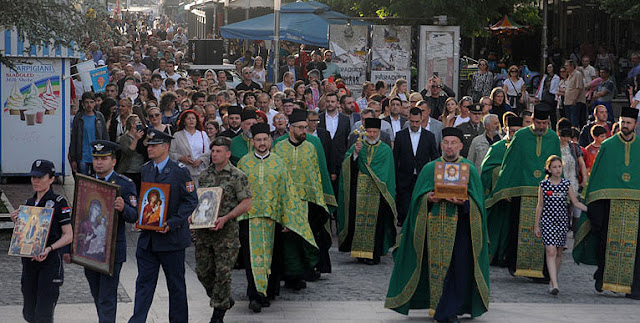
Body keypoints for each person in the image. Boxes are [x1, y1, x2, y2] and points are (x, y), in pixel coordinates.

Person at [385, 127, 489, 322]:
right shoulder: (430, 168)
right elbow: (417, 199)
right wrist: (428, 199)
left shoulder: (470, 170)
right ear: (441, 145)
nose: (449, 147)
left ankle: (450, 309)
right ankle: (439, 307)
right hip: (432, 228)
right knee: (435, 268)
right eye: (446, 143)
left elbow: (478, 204)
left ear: (460, 146)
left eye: (453, 143)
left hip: (461, 229)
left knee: (458, 269)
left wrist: (465, 203)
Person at [237, 123, 317, 312]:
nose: (262, 143)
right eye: (258, 140)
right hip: (250, 217)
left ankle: (269, 292)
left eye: (265, 139)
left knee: (273, 258)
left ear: (270, 140)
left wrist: (288, 218)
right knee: (251, 259)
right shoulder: (244, 163)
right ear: (253, 141)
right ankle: (255, 295)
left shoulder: (279, 162)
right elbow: (237, 192)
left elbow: (288, 192)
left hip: (274, 218)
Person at [129, 129, 198, 323]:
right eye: (148, 145)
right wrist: (140, 217)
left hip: (172, 239)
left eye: (153, 145)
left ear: (165, 147)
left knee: (176, 286)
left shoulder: (179, 171)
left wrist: (173, 222)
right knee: (143, 284)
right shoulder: (146, 169)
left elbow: (191, 201)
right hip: (149, 240)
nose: (149, 148)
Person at [485, 106, 561, 278]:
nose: (541, 126)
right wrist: (507, 189)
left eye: (544, 123)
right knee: (516, 228)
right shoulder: (520, 136)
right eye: (538, 122)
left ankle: (541, 270)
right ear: (532, 120)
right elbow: (510, 163)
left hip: (545, 192)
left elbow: (557, 164)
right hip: (521, 190)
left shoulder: (553, 138)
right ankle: (515, 264)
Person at [574, 107, 640, 299]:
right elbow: (598, 176)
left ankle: (633, 286)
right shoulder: (609, 145)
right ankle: (603, 278)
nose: (625, 126)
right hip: (609, 207)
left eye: (629, 123)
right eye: (623, 122)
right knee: (605, 245)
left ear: (635, 125)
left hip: (635, 206)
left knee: (635, 248)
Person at [193, 136, 252, 322]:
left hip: (226, 232)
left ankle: (218, 313)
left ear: (228, 154)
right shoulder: (205, 175)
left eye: (218, 151)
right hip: (204, 232)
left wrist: (226, 218)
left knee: (223, 273)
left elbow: (247, 203)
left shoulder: (237, 176)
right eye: (213, 151)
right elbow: (200, 201)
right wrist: (193, 215)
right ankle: (224, 299)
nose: (214, 154)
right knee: (203, 272)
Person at [273, 109, 337, 275]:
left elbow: (317, 173)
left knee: (308, 237)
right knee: (288, 240)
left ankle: (308, 269)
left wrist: (319, 198)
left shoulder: (311, 146)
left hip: (307, 201)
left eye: (305, 127)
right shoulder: (279, 147)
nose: (304, 130)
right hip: (285, 201)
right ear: (291, 128)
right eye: (301, 127)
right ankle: (289, 272)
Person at [81, 141, 138, 322]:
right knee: (97, 293)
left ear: (113, 161)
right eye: (96, 158)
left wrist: (123, 208)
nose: (99, 163)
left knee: (107, 296)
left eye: (104, 159)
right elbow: (80, 216)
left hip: (112, 250)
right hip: (89, 250)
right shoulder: (86, 183)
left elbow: (134, 215)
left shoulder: (124, 184)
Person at [10, 160, 73, 323]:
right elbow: (26, 237)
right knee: (29, 312)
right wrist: (18, 223)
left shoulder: (59, 202)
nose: (35, 181)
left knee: (43, 314)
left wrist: (50, 249)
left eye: (40, 177)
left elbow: (68, 235)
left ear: (51, 179)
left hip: (49, 263)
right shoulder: (28, 204)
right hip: (30, 265)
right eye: (33, 177)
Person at [337, 118, 397, 265]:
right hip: (360, 191)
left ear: (379, 132)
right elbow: (347, 165)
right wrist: (355, 154)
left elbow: (388, 174)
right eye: (369, 131)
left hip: (378, 192)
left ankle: (373, 255)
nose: (371, 134)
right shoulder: (358, 145)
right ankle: (359, 253)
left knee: (376, 224)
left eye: (374, 132)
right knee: (359, 220)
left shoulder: (385, 149)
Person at [534, 155, 587, 295]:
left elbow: (575, 202)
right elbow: (540, 206)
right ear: (549, 169)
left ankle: (553, 280)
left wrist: (589, 209)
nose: (558, 169)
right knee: (550, 251)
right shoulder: (543, 185)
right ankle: (555, 283)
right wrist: (536, 225)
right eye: (555, 167)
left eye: (559, 166)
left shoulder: (566, 184)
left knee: (558, 253)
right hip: (547, 221)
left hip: (562, 222)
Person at [393, 107, 439, 226]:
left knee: (421, 206)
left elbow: (434, 158)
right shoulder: (400, 136)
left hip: (422, 178)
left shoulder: (429, 136)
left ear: (422, 119)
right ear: (408, 119)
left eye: (417, 122)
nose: (414, 124)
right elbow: (395, 158)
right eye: (412, 121)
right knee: (404, 209)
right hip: (404, 178)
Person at [69, 92, 109, 175]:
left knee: (97, 182)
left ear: (94, 103)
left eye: (91, 102)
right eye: (86, 102)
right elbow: (74, 139)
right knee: (83, 182)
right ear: (83, 104)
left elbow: (105, 136)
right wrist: (73, 159)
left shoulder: (99, 117)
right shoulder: (79, 117)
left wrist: (106, 154)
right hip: (82, 156)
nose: (89, 105)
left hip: (97, 155)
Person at [169, 110, 211, 185]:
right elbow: (171, 153)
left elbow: (208, 152)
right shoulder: (177, 135)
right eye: (188, 118)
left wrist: (201, 160)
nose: (191, 120)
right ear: (184, 121)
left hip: (201, 172)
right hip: (184, 172)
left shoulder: (203, 134)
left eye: (193, 118)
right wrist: (181, 158)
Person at [318, 92, 351, 184]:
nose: (330, 104)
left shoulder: (345, 119)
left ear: (337, 103)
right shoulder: (319, 119)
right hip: (323, 158)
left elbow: (346, 139)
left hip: (340, 158)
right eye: (328, 101)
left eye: (332, 101)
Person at [117, 115, 146, 192]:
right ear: (132, 124)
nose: (140, 124)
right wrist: (136, 139)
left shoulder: (141, 137)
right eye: (138, 122)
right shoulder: (124, 138)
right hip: (128, 171)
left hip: (140, 170)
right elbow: (128, 152)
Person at [564, 59, 587, 127]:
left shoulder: (577, 74)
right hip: (567, 101)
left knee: (574, 121)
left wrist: (575, 99)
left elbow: (578, 88)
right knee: (568, 121)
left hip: (574, 102)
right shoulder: (569, 76)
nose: (566, 67)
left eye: (567, 66)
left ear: (572, 66)